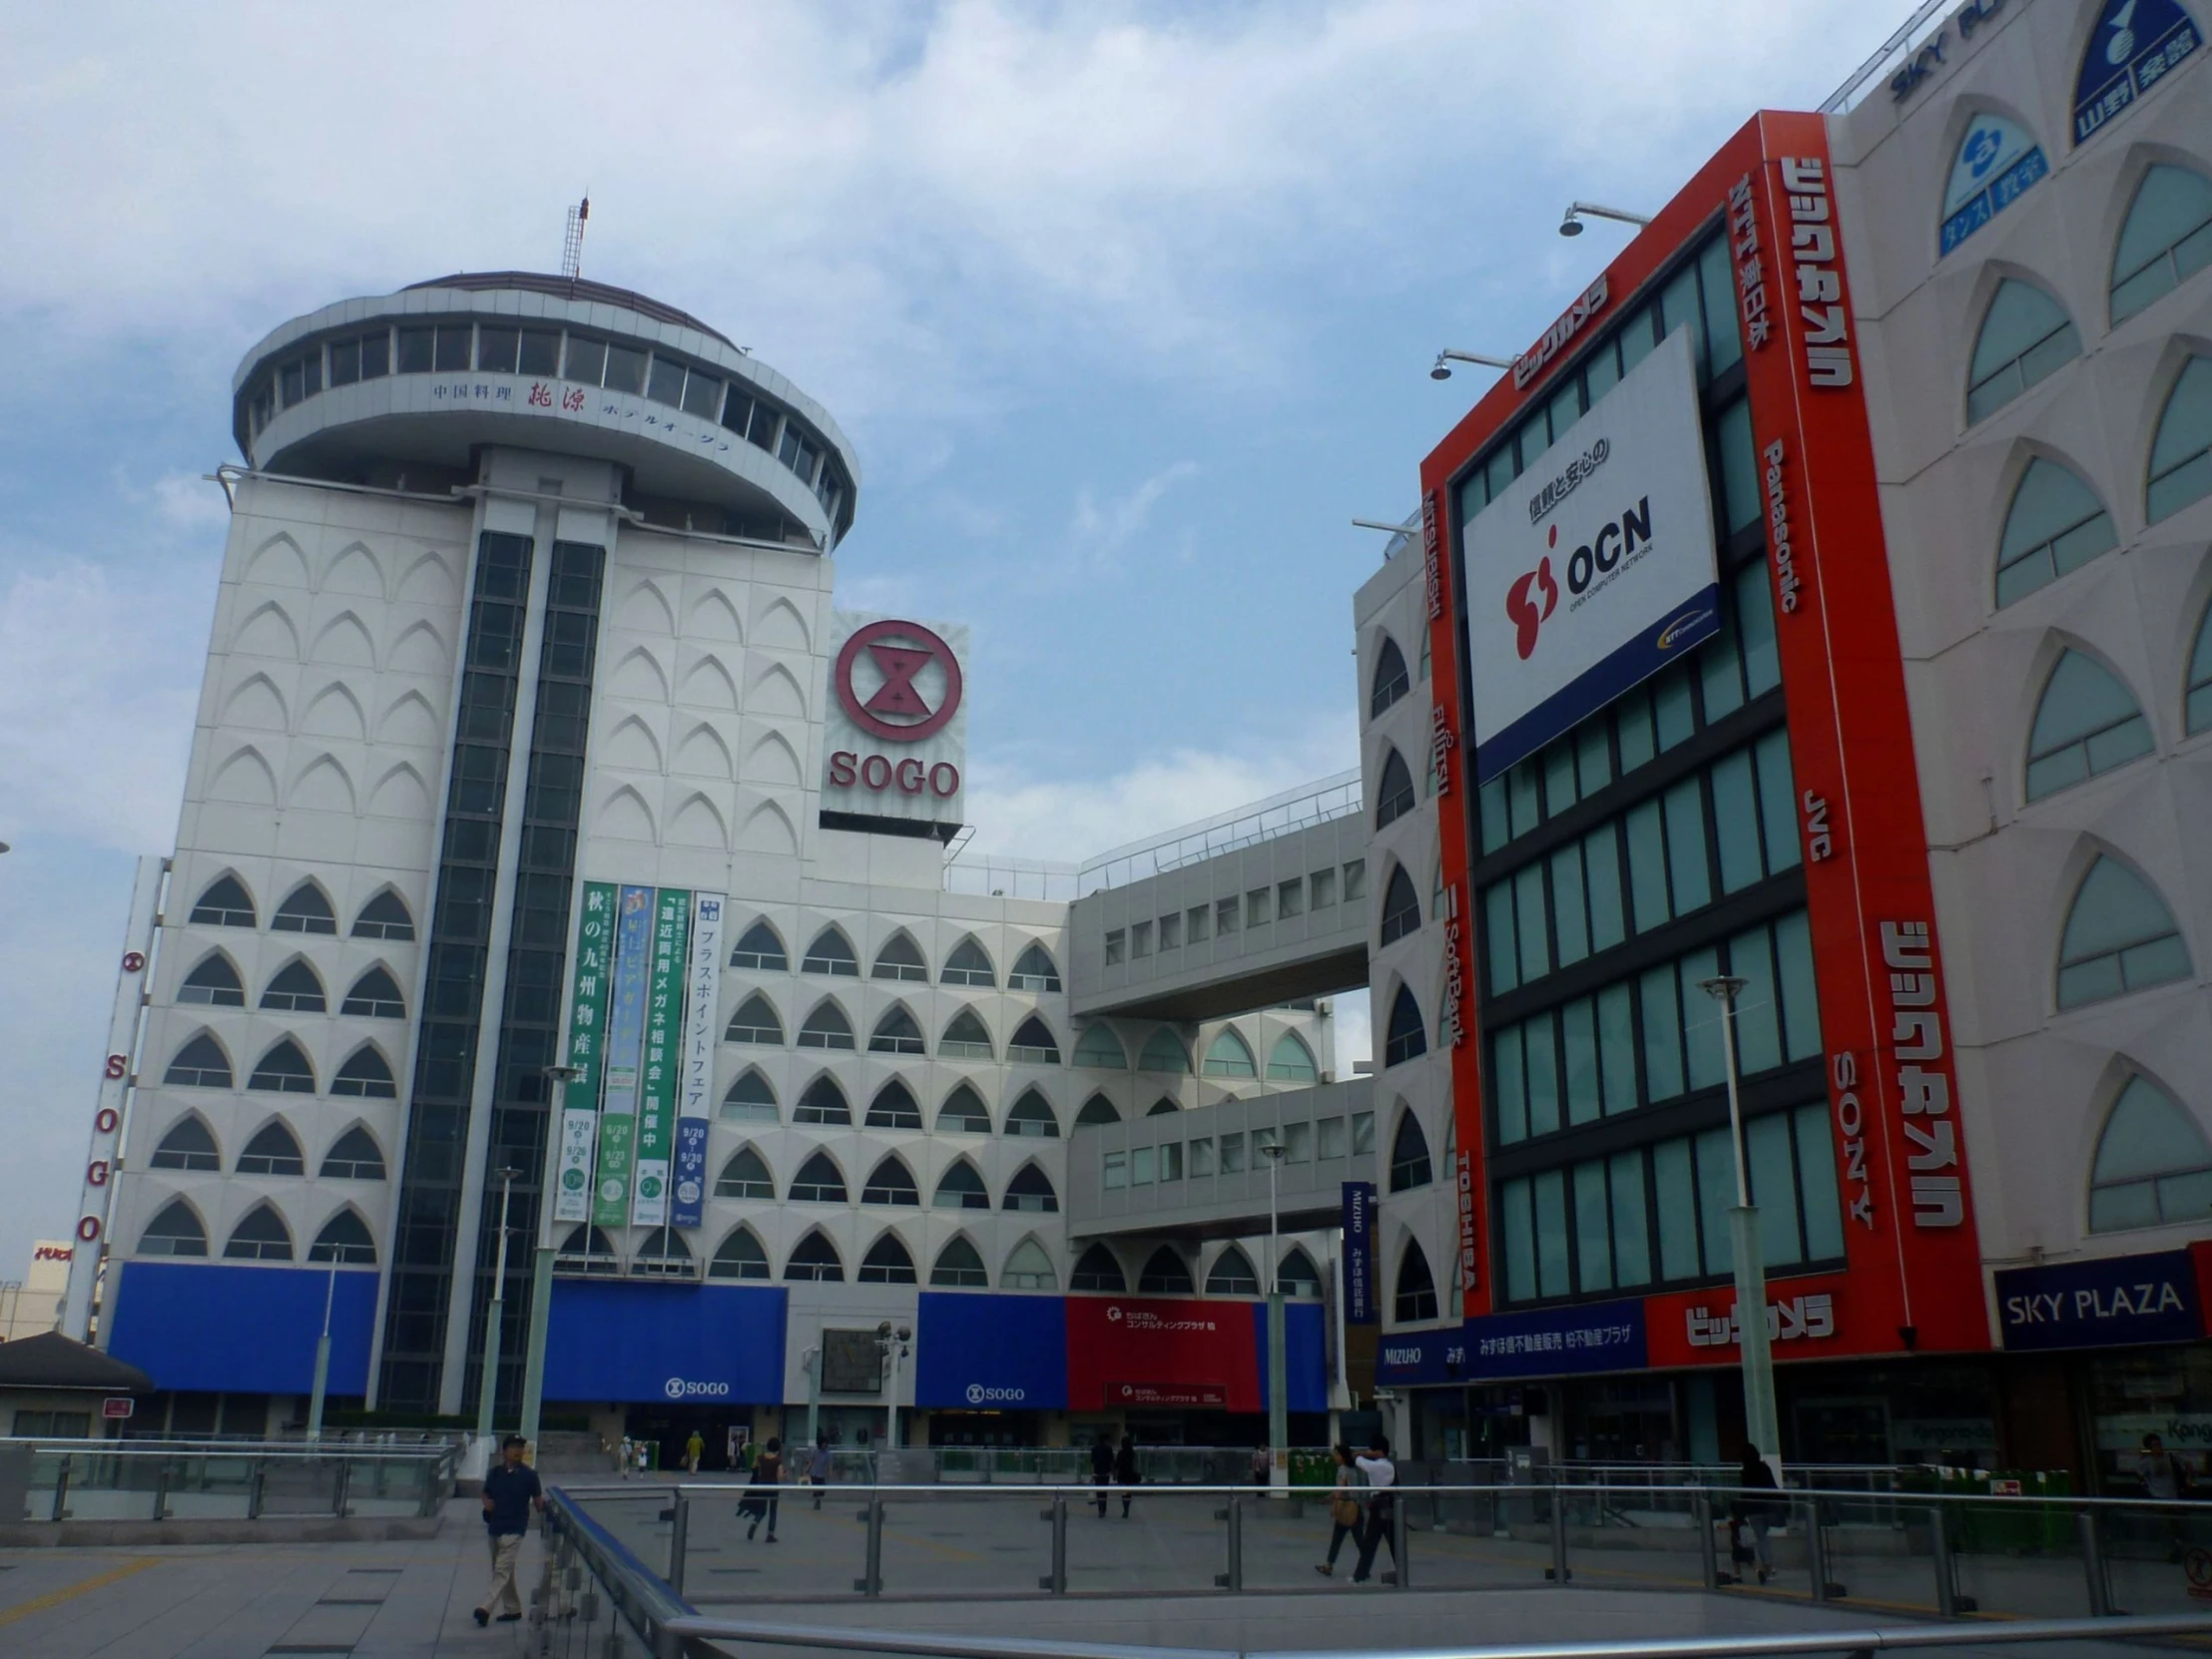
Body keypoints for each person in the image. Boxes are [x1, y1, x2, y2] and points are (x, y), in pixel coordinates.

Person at [474, 1433, 544, 1628]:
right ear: (504, 1451)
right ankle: (513, 1609)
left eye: (521, 1447)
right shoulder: (495, 1473)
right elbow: (486, 1493)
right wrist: (487, 1504)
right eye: (514, 1447)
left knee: (501, 1569)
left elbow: (539, 1502)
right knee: (504, 1571)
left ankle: (485, 1608)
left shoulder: (530, 1476)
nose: (518, 1451)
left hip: (515, 1528)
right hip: (496, 1527)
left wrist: (549, 1516)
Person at [1730, 1445, 1783, 1585]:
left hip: (1754, 1509)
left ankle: (1768, 1567)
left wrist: (1741, 1511)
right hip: (1769, 1506)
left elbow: (1745, 1492)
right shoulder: (1764, 1468)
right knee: (1763, 1537)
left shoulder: (1746, 1472)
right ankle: (1769, 1566)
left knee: (1761, 1538)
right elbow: (1772, 1486)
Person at [1350, 1434, 1397, 1585]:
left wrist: (1362, 1453)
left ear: (1379, 1451)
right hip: (1384, 1506)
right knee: (1392, 1542)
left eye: (1372, 1449)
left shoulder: (1383, 1466)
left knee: (1370, 1542)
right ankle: (1400, 1571)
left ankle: (1360, 1575)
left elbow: (1360, 1461)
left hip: (1381, 1507)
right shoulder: (1384, 1465)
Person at [1315, 1443, 1361, 1577]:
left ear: (1342, 1456)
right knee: (1357, 1540)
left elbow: (1339, 1492)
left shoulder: (1342, 1470)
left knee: (1339, 1539)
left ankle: (1329, 1566)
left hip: (1346, 1508)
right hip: (1355, 1507)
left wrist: (1332, 1503)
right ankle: (1329, 1565)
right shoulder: (1353, 1469)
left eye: (1336, 1454)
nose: (1335, 1457)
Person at [740, 1435, 785, 1542]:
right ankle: (770, 1535)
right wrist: (784, 1475)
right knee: (773, 1512)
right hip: (773, 1487)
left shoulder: (760, 1458)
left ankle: (755, 1522)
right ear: (777, 1448)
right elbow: (780, 1476)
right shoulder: (778, 1460)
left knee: (761, 1510)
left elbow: (754, 1467)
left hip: (761, 1485)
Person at [1113, 1432, 1140, 1518]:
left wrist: (1114, 1474)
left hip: (1122, 1474)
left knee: (1123, 1493)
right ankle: (1127, 1507)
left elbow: (1116, 1464)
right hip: (1130, 1474)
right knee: (1128, 1493)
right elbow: (1136, 1464)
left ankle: (1125, 1508)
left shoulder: (1120, 1453)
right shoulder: (1132, 1453)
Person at [1089, 1430, 1115, 1517]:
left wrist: (1092, 1473)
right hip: (1106, 1473)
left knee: (1099, 1491)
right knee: (1104, 1491)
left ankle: (1100, 1508)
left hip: (1097, 1472)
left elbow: (1092, 1462)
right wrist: (1112, 1472)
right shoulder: (1109, 1449)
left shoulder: (1094, 1449)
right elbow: (1111, 1462)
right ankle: (1103, 1509)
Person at [809, 1436, 834, 1509]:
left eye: (826, 1444)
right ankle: (817, 1501)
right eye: (823, 1444)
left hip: (822, 1473)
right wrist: (807, 1469)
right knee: (816, 1489)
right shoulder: (815, 1451)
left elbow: (830, 1464)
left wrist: (830, 1472)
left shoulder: (828, 1453)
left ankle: (818, 1499)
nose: (824, 1446)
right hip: (814, 1472)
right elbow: (811, 1461)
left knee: (821, 1490)